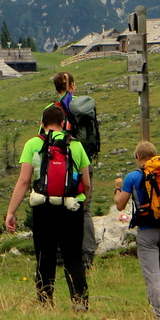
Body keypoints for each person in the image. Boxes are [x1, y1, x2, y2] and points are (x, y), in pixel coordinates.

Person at [5, 105, 91, 309]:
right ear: (63, 124)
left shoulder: (33, 144)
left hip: (43, 207)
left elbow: (24, 180)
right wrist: (81, 204)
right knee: (73, 257)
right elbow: (86, 184)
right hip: (71, 207)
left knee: (45, 255)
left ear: (42, 124)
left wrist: (11, 212)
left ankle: (45, 302)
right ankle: (79, 301)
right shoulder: (76, 145)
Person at [113, 141, 160, 320]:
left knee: (152, 275)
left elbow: (120, 204)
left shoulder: (133, 177)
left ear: (138, 157)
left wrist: (117, 187)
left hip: (147, 231)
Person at [48, 71, 98, 269]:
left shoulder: (52, 109)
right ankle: (87, 254)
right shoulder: (83, 105)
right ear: (73, 86)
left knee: (58, 207)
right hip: (83, 161)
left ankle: (61, 253)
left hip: (59, 166)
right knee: (84, 209)